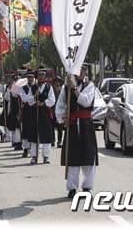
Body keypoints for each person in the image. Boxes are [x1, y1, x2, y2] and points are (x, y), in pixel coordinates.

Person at [55, 66, 98, 199]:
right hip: (73, 125)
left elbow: (85, 102)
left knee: (88, 157)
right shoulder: (65, 88)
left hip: (86, 125)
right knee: (73, 158)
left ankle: (87, 187)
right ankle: (72, 188)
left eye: (83, 70)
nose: (81, 73)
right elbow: (60, 105)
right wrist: (62, 118)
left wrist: (74, 89)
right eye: (79, 70)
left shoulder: (90, 86)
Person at [31, 71, 56, 164]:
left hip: (45, 113)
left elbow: (52, 100)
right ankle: (34, 156)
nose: (41, 77)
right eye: (39, 75)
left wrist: (43, 103)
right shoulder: (33, 87)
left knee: (46, 134)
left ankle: (46, 156)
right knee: (34, 134)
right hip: (35, 113)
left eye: (43, 75)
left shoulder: (49, 87)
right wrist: (34, 98)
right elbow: (27, 99)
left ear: (45, 76)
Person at [52, 75, 64, 148]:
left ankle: (59, 141)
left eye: (58, 81)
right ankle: (52, 140)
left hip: (60, 111)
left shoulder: (62, 90)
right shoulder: (51, 89)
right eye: (56, 81)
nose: (57, 83)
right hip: (52, 110)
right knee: (52, 127)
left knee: (60, 128)